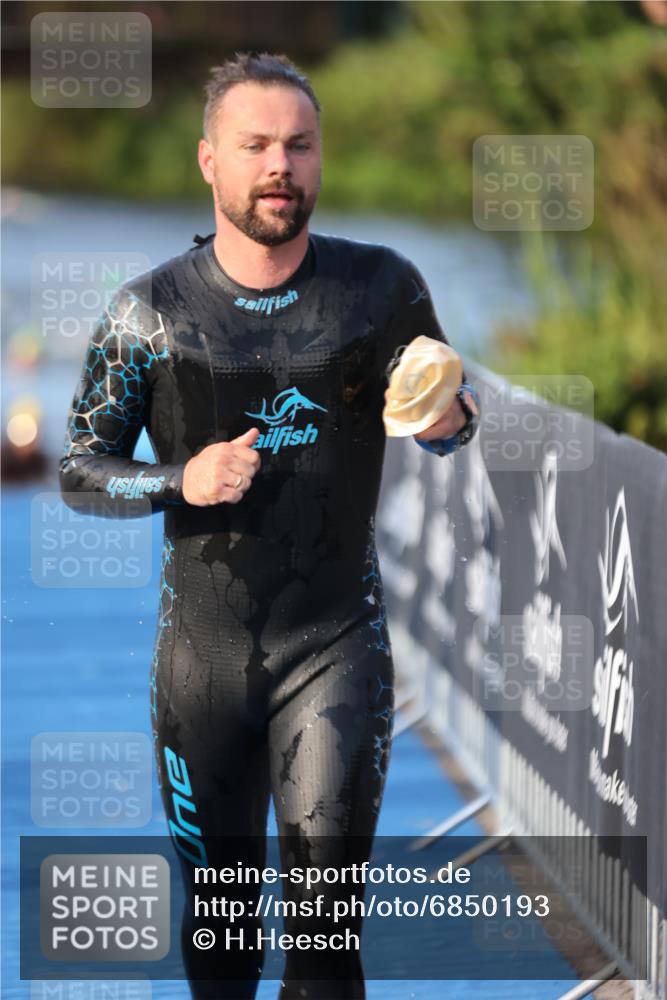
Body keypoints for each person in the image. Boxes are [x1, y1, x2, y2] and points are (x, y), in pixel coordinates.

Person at [60, 52, 480, 1000]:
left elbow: (449, 425)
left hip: (334, 644)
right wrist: (181, 478)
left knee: (327, 950)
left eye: (298, 144)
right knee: (222, 945)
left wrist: (448, 417)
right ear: (210, 161)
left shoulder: (380, 291)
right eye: (254, 145)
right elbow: (81, 473)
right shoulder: (148, 314)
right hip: (200, 667)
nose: (278, 165)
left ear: (319, 157)